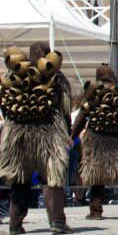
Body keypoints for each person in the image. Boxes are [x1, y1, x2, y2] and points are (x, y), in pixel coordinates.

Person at [0, 43, 73, 234]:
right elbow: (65, 109)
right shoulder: (57, 76)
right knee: (51, 177)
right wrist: (68, 131)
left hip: (18, 133)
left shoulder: (12, 74)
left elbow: (5, 105)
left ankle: (15, 224)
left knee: (20, 178)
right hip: (48, 131)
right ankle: (57, 222)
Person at [72, 64, 118, 220]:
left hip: (98, 140)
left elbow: (82, 116)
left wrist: (73, 135)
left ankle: (95, 212)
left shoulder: (94, 92)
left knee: (97, 176)